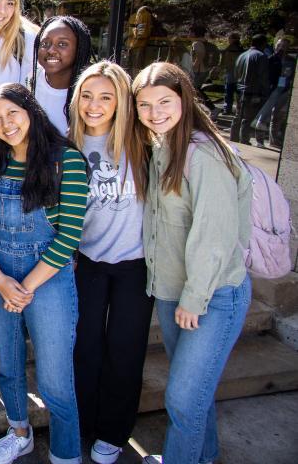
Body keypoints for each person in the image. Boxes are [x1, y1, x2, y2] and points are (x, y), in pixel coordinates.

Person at [132, 62, 252, 464]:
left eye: (165, 101)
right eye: (144, 104)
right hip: (171, 290)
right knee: (197, 393)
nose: (154, 112)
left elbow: (214, 238)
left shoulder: (204, 156)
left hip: (210, 296)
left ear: (184, 99)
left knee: (182, 399)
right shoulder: (161, 145)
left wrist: (194, 298)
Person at [0, 83, 88, 464]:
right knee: (9, 365)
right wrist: (0, 279)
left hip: (48, 280)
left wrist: (24, 288)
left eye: (13, 113)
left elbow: (69, 235)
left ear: (31, 111)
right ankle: (18, 432)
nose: (5, 124)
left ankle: (65, 452)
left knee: (55, 380)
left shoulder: (65, 160)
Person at [68, 62, 152, 464]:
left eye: (105, 96)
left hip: (135, 266)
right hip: (87, 262)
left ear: (121, 100)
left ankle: (114, 431)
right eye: (86, 95)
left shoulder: (142, 142)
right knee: (84, 346)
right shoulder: (69, 145)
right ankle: (84, 421)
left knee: (125, 348)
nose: (94, 105)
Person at [29, 15, 93, 135]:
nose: (51, 50)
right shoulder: (28, 82)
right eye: (45, 43)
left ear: (79, 49)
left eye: (62, 44)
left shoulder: (90, 90)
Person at [230, 34, 269, 145]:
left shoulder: (242, 55)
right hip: (252, 91)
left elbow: (235, 73)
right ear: (263, 44)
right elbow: (263, 77)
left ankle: (233, 138)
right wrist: (266, 92)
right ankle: (244, 140)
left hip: (239, 89)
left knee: (238, 115)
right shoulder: (261, 56)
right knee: (248, 117)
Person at [220, 33, 241, 115]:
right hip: (239, 74)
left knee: (229, 92)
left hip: (231, 73)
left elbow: (226, 62)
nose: (228, 40)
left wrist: (222, 69)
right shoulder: (241, 48)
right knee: (238, 92)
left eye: (229, 38)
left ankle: (227, 109)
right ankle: (239, 109)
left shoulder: (230, 49)